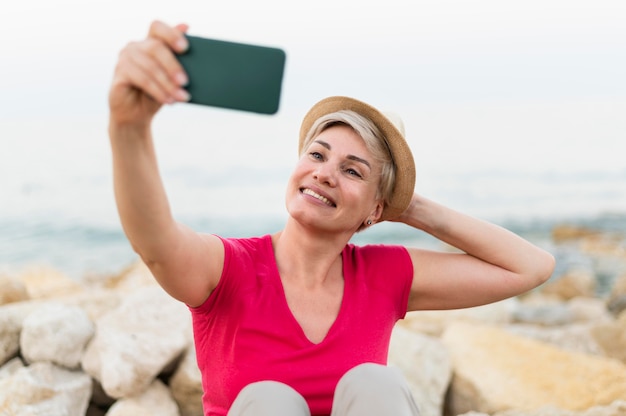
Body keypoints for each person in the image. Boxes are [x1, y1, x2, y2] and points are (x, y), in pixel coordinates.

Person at [108, 20, 555, 416]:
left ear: (376, 210)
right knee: (270, 400)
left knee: (375, 382)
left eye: (352, 170)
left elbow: (530, 267)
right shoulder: (230, 267)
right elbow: (156, 242)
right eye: (317, 155)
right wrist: (128, 127)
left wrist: (409, 206)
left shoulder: (384, 276)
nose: (324, 172)